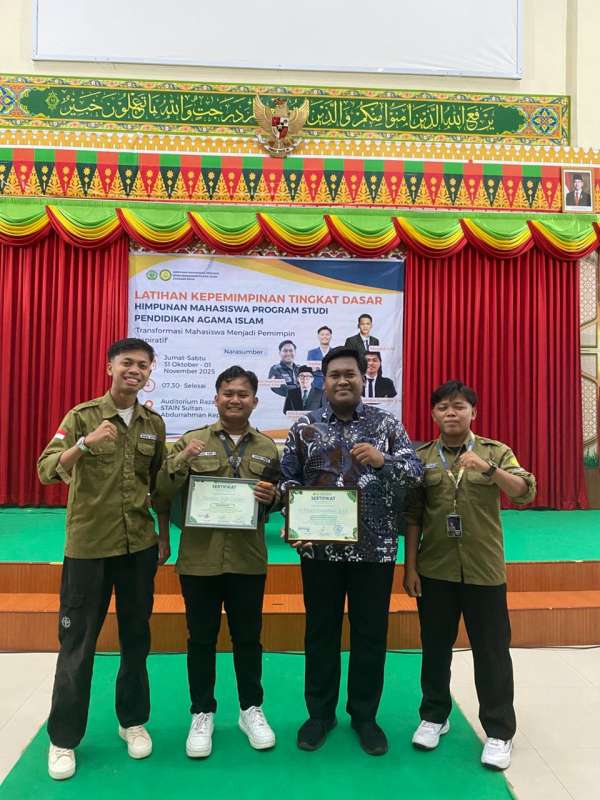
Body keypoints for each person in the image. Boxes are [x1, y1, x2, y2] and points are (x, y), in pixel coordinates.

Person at [280, 346, 423, 756]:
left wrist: (382, 460)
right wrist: (294, 518)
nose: (342, 380)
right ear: (324, 381)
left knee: (370, 635)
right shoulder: (304, 426)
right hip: (319, 551)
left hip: (374, 550)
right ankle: (319, 715)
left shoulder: (385, 424)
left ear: (363, 378)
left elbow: (415, 473)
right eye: (335, 374)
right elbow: (286, 479)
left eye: (350, 374)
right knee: (320, 633)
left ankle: (364, 717)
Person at [37, 337, 168, 781]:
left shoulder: (153, 424)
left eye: (143, 365)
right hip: (89, 548)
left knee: (136, 638)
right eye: (127, 363)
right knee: (77, 645)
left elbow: (158, 485)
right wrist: (85, 444)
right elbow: (46, 469)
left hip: (138, 548)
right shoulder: (82, 416)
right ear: (110, 366)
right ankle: (63, 739)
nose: (135, 371)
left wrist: (162, 533)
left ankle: (132, 721)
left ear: (149, 372)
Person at [403, 380, 536, 771]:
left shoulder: (495, 451)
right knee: (435, 648)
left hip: (483, 570)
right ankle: (434, 716)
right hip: (435, 569)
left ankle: (499, 731)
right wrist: (410, 567)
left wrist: (489, 470)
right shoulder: (421, 457)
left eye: (459, 406)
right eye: (443, 407)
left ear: (473, 412)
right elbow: (412, 516)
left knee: (491, 652)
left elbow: (525, 490)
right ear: (433, 414)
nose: (451, 413)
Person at [154, 366, 280, 758]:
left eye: (243, 394)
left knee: (248, 638)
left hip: (247, 560)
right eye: (228, 393)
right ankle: (202, 711)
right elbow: (161, 489)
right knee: (201, 639)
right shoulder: (191, 441)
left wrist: (273, 498)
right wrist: (182, 459)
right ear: (216, 398)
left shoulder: (267, 447)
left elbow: (277, 501)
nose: (235, 399)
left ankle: (250, 709)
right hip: (200, 560)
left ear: (255, 400)